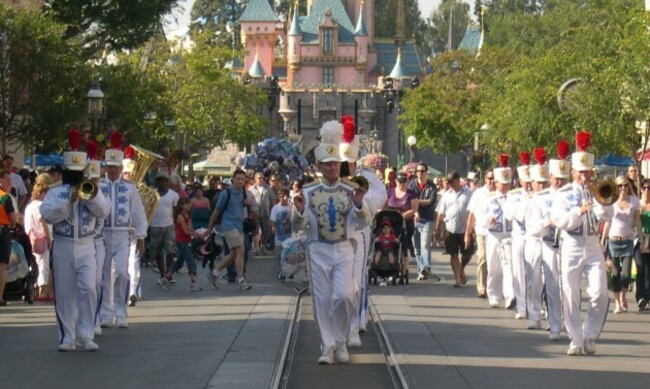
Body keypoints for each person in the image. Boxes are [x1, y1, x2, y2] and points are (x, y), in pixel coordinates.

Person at [291, 120, 369, 364]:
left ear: (340, 165)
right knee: (323, 300)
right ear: (320, 167)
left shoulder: (351, 190)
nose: (332, 168)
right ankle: (328, 346)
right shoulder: (307, 193)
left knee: (345, 296)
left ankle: (342, 339)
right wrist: (299, 212)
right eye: (328, 165)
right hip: (318, 250)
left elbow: (363, 222)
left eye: (336, 164)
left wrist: (359, 204)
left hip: (345, 248)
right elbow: (297, 227)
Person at [40, 133, 110, 351]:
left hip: (87, 245)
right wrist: (67, 202)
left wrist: (91, 196)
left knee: (89, 287)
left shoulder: (91, 189)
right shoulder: (55, 192)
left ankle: (86, 333)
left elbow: (104, 211)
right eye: (72, 173)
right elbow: (47, 214)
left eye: (79, 173)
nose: (75, 176)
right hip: (62, 244)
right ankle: (67, 337)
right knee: (64, 293)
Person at [551, 131, 613, 356]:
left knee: (600, 293)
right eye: (581, 173)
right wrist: (580, 210)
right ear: (573, 172)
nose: (585, 177)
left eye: (588, 172)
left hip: (593, 244)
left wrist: (601, 203)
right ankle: (575, 339)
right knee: (570, 294)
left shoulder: (596, 191)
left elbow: (608, 216)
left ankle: (590, 334)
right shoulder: (563, 194)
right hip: (571, 245)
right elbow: (561, 221)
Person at [98, 137, 148, 329]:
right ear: (105, 168)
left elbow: (137, 212)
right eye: (109, 166)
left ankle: (121, 312)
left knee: (121, 273)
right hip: (102, 235)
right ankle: (105, 312)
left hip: (121, 235)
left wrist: (141, 235)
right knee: (103, 274)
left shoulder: (129, 188)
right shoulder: (99, 186)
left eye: (115, 166)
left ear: (120, 168)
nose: (112, 170)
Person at [527, 141, 571, 340]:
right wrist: (548, 222)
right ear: (550, 177)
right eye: (556, 178)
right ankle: (555, 326)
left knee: (571, 288)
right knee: (553, 287)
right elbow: (534, 228)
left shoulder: (572, 195)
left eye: (563, 178)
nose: (559, 182)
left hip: (571, 244)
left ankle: (571, 325)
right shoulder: (540, 198)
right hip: (550, 245)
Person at [476, 154, 516, 308]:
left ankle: (509, 295)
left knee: (509, 266)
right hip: (493, 235)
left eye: (508, 183)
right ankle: (493, 294)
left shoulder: (514, 197)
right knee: (493, 266)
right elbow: (480, 217)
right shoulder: (488, 198)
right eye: (502, 183)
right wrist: (488, 219)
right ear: (497, 183)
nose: (505, 186)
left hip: (509, 235)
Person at [205, 169, 254, 290]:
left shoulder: (244, 193)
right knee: (240, 250)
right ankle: (241, 280)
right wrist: (210, 227)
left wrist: (247, 203)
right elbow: (217, 211)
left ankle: (214, 273)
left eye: (242, 179)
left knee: (233, 254)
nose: (240, 181)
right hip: (228, 225)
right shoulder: (225, 193)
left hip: (240, 225)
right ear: (233, 179)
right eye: (238, 179)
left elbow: (246, 208)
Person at [601, 175, 641, 314]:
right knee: (616, 274)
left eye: (625, 185)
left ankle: (623, 295)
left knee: (626, 274)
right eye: (619, 186)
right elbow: (607, 222)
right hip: (613, 240)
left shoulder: (634, 201)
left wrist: (641, 239)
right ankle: (617, 302)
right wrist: (602, 241)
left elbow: (638, 221)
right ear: (615, 188)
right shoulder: (611, 202)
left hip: (627, 241)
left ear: (628, 186)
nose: (623, 188)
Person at [435, 171, 474, 287]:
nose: (450, 184)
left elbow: (473, 210)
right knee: (453, 254)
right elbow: (440, 213)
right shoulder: (446, 195)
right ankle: (457, 279)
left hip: (465, 228)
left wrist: (473, 227)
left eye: (451, 181)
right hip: (450, 228)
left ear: (457, 180)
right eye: (448, 182)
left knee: (467, 254)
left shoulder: (468, 193)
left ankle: (461, 268)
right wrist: (437, 228)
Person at [506, 152, 533, 317]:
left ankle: (534, 304)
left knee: (535, 274)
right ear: (521, 180)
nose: (529, 184)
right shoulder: (513, 195)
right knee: (518, 272)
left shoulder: (539, 194)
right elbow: (509, 214)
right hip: (518, 236)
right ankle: (522, 307)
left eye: (531, 180)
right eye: (526, 180)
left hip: (533, 237)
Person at [464, 169, 496, 298]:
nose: (491, 181)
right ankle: (481, 287)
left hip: (496, 233)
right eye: (489, 178)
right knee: (483, 257)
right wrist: (467, 233)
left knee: (494, 260)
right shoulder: (478, 193)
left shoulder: (500, 193)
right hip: (482, 231)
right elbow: (471, 214)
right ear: (485, 180)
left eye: (493, 178)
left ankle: (494, 287)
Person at [162, 197, 203, 291]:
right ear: (181, 206)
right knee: (190, 259)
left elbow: (190, 229)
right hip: (181, 241)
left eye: (189, 203)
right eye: (186, 204)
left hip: (187, 240)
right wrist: (196, 234)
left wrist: (197, 233)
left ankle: (167, 277)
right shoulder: (180, 216)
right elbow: (185, 231)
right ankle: (193, 282)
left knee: (180, 261)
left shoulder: (188, 215)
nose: (189, 205)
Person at [24, 173, 54, 301]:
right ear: (41, 193)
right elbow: (42, 222)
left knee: (35, 264)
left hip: (33, 238)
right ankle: (42, 292)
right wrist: (48, 238)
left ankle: (36, 290)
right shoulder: (40, 206)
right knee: (44, 265)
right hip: (42, 238)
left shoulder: (29, 206)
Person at [408, 162, 439, 281]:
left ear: (426, 172)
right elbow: (409, 199)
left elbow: (430, 201)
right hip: (414, 219)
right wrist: (415, 211)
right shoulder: (412, 184)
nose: (420, 173)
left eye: (422, 171)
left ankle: (425, 269)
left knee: (425, 245)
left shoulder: (431, 186)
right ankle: (420, 270)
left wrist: (415, 201)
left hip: (427, 220)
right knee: (417, 248)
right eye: (418, 171)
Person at [149, 172, 180, 289]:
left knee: (170, 251)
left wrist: (175, 223)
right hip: (155, 226)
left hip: (168, 226)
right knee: (158, 253)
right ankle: (162, 275)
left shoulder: (173, 195)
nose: (161, 183)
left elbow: (176, 209)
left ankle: (168, 275)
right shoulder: (152, 194)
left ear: (167, 182)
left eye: (164, 180)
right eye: (159, 180)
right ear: (156, 182)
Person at [384, 172, 418, 273]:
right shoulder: (390, 191)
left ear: (407, 182)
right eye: (399, 182)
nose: (401, 184)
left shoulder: (411, 194)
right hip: (390, 222)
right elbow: (383, 205)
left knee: (404, 244)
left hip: (405, 223)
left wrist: (401, 216)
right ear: (395, 181)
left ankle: (405, 266)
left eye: (403, 182)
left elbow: (414, 209)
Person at [0, 163, 20, 307]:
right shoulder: (4, 197)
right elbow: (13, 218)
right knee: (1, 266)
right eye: (8, 180)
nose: (10, 183)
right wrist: (14, 223)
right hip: (2, 231)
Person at [270, 188, 292, 280]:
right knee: (279, 255)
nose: (282, 198)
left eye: (284, 196)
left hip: (289, 235)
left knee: (287, 255)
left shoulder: (291, 207)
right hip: (279, 236)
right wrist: (273, 229)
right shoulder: (276, 208)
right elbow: (273, 222)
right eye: (280, 197)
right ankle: (283, 271)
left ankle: (287, 272)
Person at [250, 172, 273, 256]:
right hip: (254, 214)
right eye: (259, 178)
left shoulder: (268, 189)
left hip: (266, 213)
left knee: (266, 232)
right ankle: (256, 248)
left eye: (262, 178)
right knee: (255, 231)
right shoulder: (251, 189)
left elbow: (272, 201)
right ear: (255, 179)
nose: (261, 180)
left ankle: (263, 245)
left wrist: (272, 213)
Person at [636, 178, 650, 311]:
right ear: (641, 189)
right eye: (644, 188)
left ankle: (647, 297)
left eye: (649, 188)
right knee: (641, 269)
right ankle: (641, 298)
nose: (646, 190)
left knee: (648, 270)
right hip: (638, 240)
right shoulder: (637, 205)